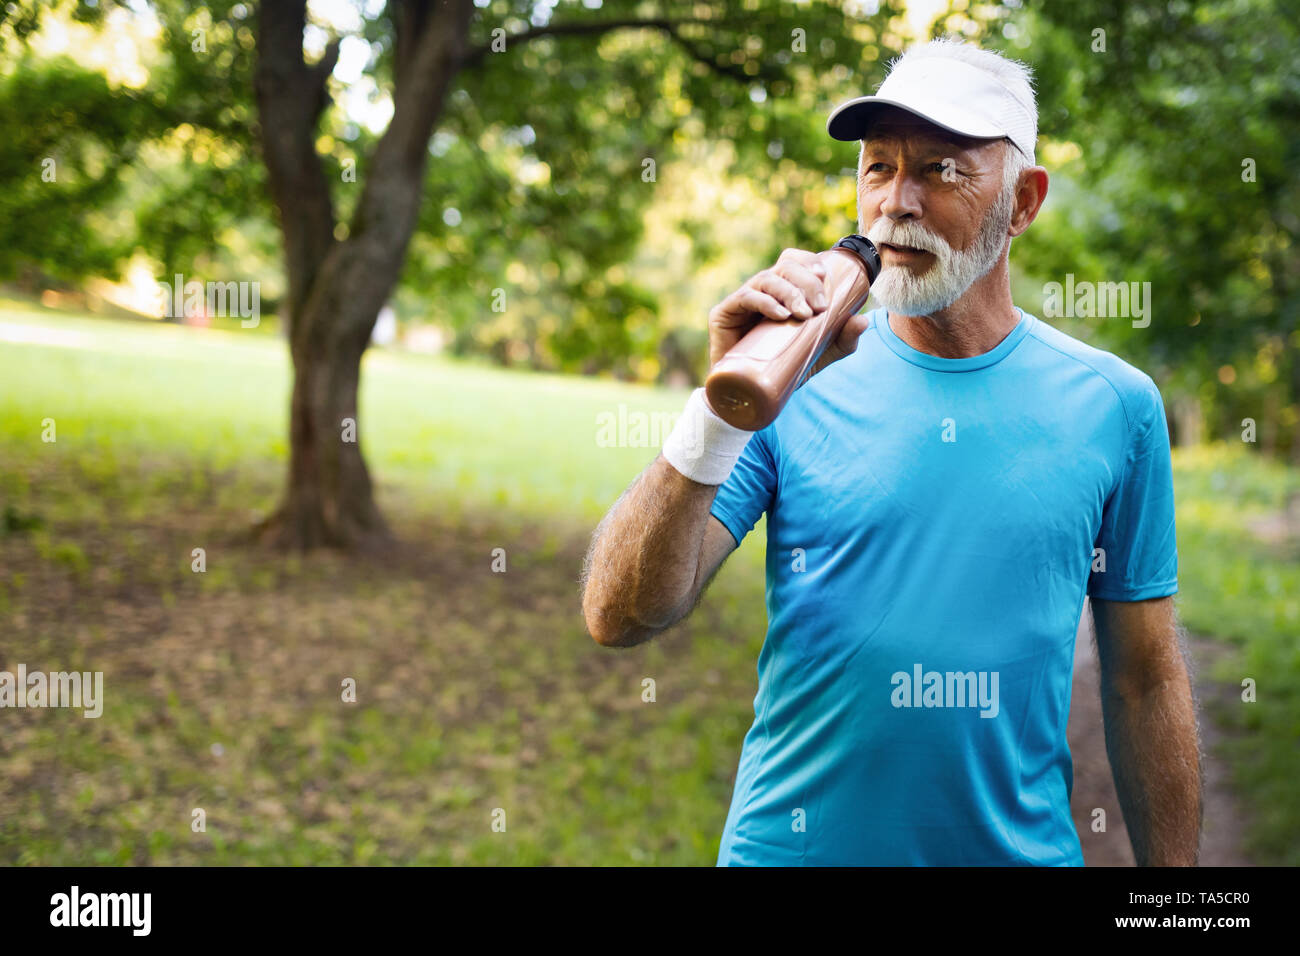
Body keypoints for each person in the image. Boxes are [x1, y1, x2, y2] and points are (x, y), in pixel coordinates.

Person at [580, 38, 1201, 866]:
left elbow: (1144, 680)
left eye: (940, 170)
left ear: (1022, 202)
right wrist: (719, 410)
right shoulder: (792, 373)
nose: (896, 202)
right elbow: (618, 617)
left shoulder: (1114, 407)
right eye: (878, 166)